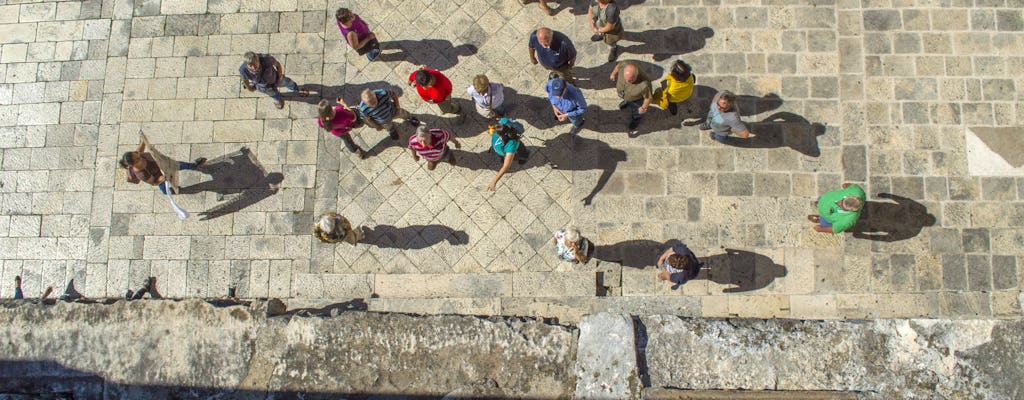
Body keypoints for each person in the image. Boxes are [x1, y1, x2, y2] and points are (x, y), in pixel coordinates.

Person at [120, 131, 205, 219]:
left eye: (137, 154)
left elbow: (140, 148)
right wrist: (161, 179)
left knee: (180, 165)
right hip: (160, 176)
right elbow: (153, 182)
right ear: (134, 164)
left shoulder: (137, 155)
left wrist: (143, 139)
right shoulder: (142, 174)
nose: (139, 156)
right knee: (165, 190)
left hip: (164, 165)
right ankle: (177, 190)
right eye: (137, 158)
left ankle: (195, 165)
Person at [238, 51, 307, 109]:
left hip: (275, 78)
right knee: (273, 94)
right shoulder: (243, 70)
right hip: (263, 86)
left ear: (258, 60)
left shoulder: (266, 58)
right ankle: (277, 99)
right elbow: (245, 79)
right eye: (250, 66)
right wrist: (249, 88)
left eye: (255, 64)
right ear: (246, 65)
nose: (254, 67)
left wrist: (279, 76)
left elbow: (277, 64)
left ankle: (296, 88)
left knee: (288, 82)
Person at [610, 60, 652, 134]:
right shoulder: (624, 65)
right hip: (625, 95)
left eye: (630, 80)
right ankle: (626, 102)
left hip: (636, 100)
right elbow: (618, 66)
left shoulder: (645, 84)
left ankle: (636, 120)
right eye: (625, 78)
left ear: (636, 75)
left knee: (637, 112)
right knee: (627, 99)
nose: (627, 81)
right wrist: (613, 74)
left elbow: (648, 97)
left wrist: (643, 108)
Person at [487, 118, 528, 191]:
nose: (494, 132)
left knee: (521, 155)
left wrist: (494, 181)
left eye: (497, 133)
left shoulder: (511, 145)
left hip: (515, 152)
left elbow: (506, 166)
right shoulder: (503, 123)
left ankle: (523, 158)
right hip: (501, 152)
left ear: (502, 136)